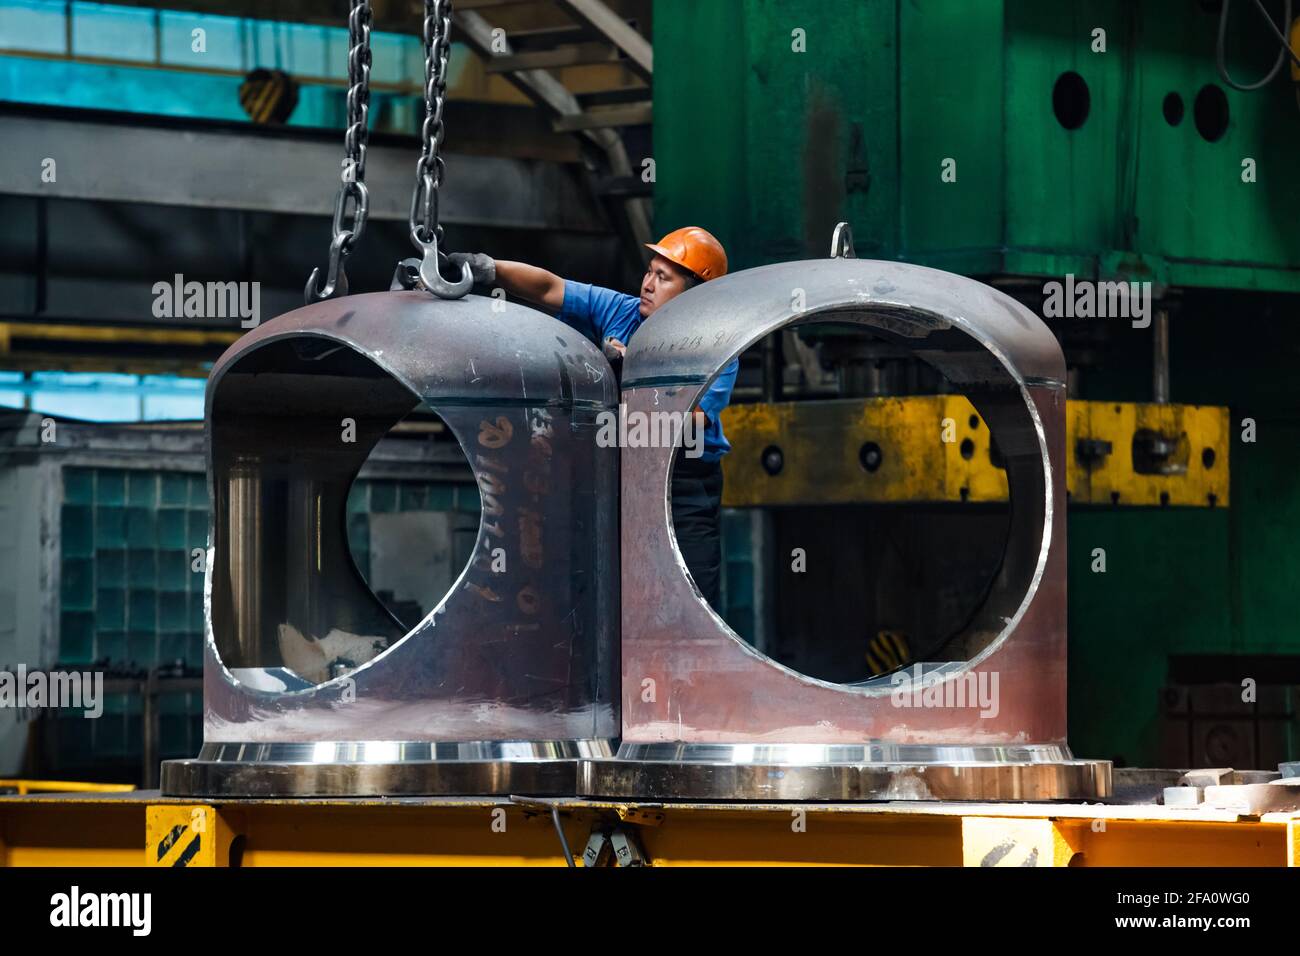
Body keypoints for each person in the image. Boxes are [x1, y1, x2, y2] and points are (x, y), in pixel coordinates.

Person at [448, 227, 738, 607]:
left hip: (684, 486)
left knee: (691, 595)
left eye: (663, 278)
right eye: (649, 271)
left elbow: (694, 420)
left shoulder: (718, 343)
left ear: (695, 293)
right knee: (614, 592)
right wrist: (487, 269)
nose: (648, 284)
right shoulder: (621, 309)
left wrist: (628, 371)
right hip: (622, 472)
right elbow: (549, 288)